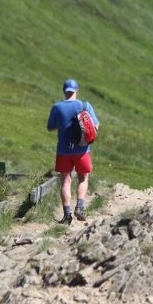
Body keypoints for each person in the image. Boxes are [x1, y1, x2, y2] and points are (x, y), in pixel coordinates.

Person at [47, 78, 99, 225]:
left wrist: (63, 124)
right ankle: (80, 207)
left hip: (63, 150)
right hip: (82, 150)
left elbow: (50, 126)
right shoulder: (85, 105)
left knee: (65, 181)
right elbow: (96, 126)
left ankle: (67, 215)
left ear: (64, 91)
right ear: (77, 90)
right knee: (83, 177)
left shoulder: (57, 107)